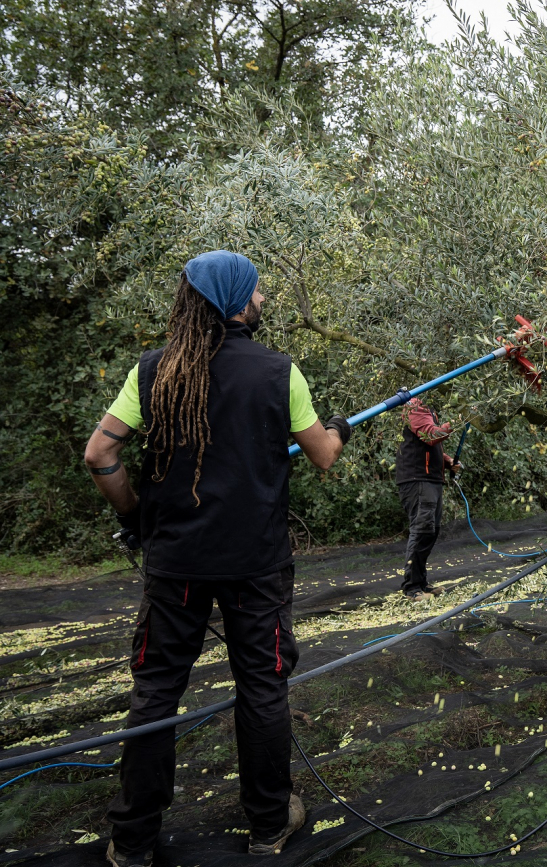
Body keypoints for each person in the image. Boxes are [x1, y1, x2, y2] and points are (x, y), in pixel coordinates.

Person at [84, 251, 352, 866]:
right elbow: (323, 454)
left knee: (157, 691)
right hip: (256, 566)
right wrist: (339, 426)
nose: (263, 300)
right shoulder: (278, 372)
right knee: (262, 687)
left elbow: (100, 455)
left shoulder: (153, 371)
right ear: (236, 301)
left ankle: (133, 842)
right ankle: (268, 824)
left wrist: (135, 518)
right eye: (256, 291)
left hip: (175, 564)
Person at [395, 396, 460, 601]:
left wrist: (448, 462)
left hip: (431, 479)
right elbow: (430, 435)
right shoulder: (414, 406)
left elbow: (429, 446)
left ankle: (421, 583)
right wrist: (456, 423)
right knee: (422, 531)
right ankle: (411, 588)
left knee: (430, 532)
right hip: (418, 480)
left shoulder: (427, 408)